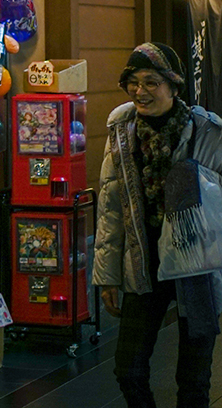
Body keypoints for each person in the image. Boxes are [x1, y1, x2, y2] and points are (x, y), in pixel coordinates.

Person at [94, 43, 222, 408]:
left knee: (194, 381)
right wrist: (107, 276)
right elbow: (111, 206)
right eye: (133, 82)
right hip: (143, 262)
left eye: (151, 82)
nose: (140, 91)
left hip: (196, 267)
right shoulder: (121, 130)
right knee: (128, 369)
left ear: (174, 86)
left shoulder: (206, 131)